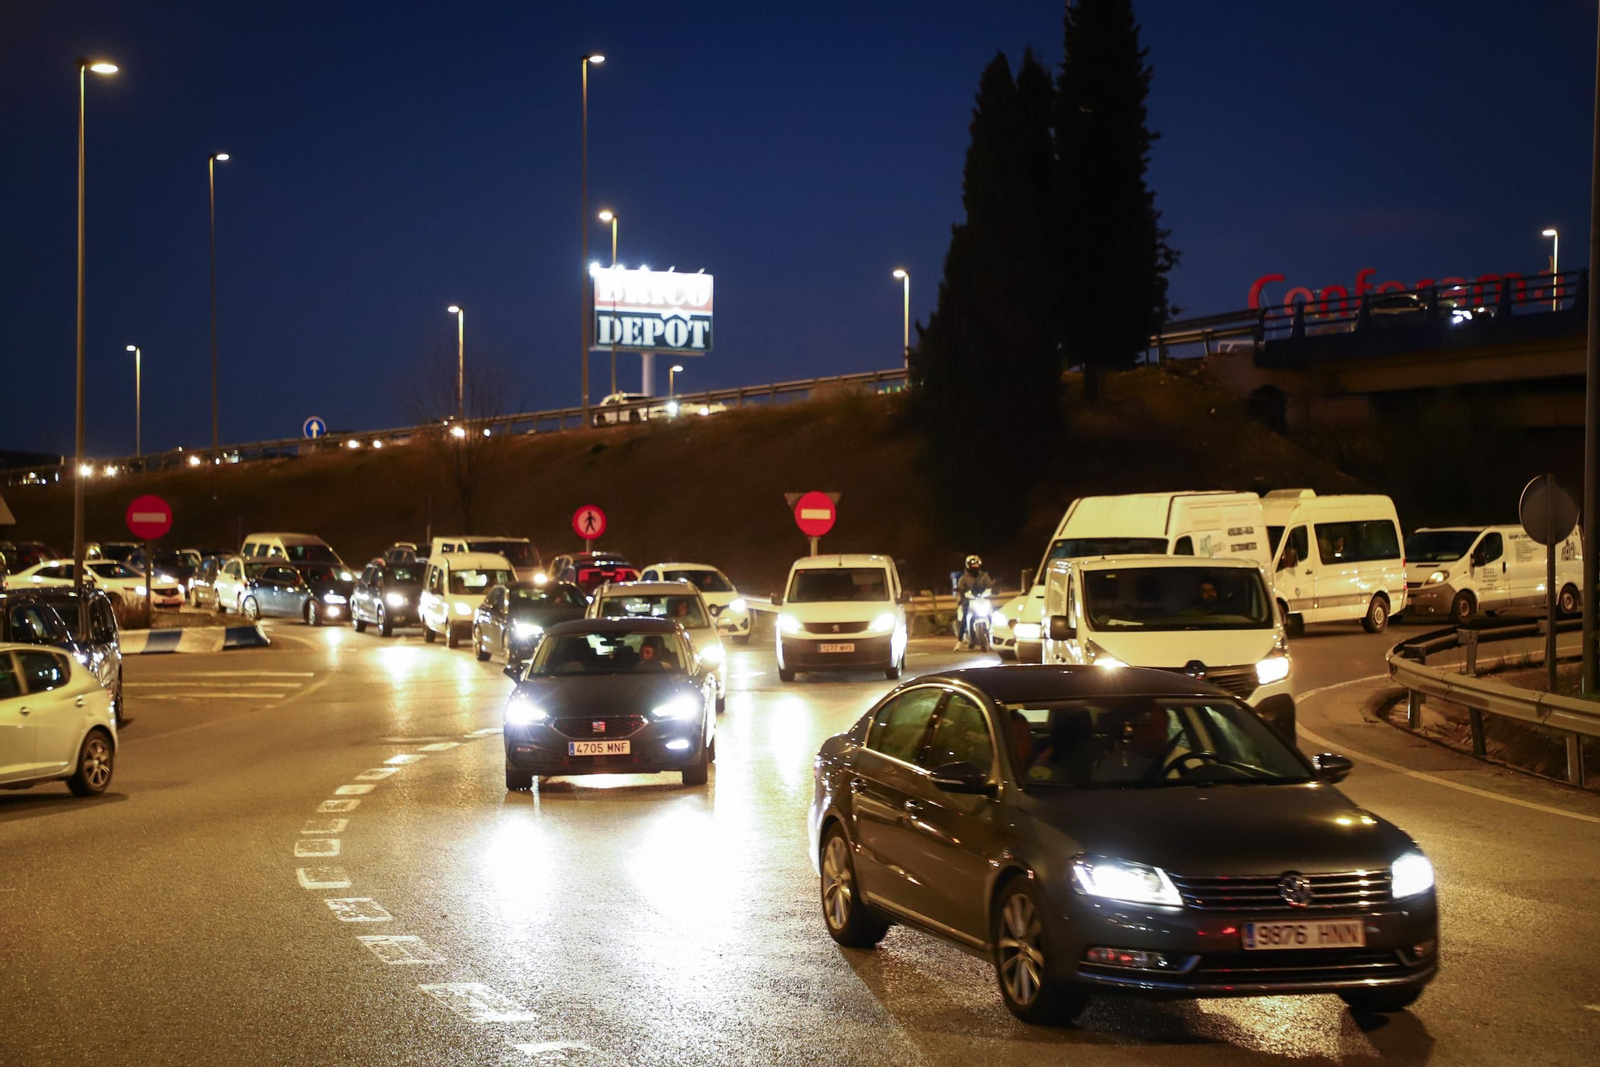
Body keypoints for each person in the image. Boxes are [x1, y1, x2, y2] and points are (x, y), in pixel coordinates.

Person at [1095, 705, 1178, 781]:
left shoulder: (1175, 757)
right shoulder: (1113, 766)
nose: (1158, 733)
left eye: (1162, 726)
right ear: (1136, 729)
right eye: (1148, 727)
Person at [953, 554, 994, 651]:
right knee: (964, 618)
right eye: (973, 565)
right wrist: (963, 592)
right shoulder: (963, 578)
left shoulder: (984, 576)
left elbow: (989, 586)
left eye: (976, 564)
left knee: (991, 615)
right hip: (968, 601)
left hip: (982, 600)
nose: (975, 567)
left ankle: (992, 637)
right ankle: (959, 642)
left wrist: (989, 591)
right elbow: (961, 589)